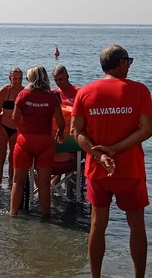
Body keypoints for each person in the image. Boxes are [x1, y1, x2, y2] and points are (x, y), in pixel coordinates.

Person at [71, 45, 152, 278]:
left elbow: (76, 132)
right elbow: (147, 129)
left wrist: (100, 155)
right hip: (130, 169)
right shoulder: (139, 90)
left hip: (98, 170)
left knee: (97, 225)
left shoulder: (85, 92)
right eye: (128, 61)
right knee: (136, 226)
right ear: (122, 63)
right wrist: (114, 150)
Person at [9, 65, 65, 217]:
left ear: (30, 79)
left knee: (18, 182)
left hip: (25, 141)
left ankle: (13, 214)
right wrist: (60, 133)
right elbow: (61, 122)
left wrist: (22, 130)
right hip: (44, 142)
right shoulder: (52, 97)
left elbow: (14, 118)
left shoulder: (23, 94)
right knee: (44, 185)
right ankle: (46, 217)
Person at [51, 65, 80, 186]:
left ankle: (71, 184)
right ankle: (54, 185)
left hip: (73, 137)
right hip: (56, 137)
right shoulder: (53, 94)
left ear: (67, 77)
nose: (58, 82)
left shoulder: (79, 92)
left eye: (61, 79)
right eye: (56, 80)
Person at [0, 67, 23, 186]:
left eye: (20, 79)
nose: (17, 81)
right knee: (1, 158)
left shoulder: (23, 91)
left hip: (16, 129)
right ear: (10, 78)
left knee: (13, 159)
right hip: (3, 126)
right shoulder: (5, 91)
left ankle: (12, 184)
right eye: (15, 78)